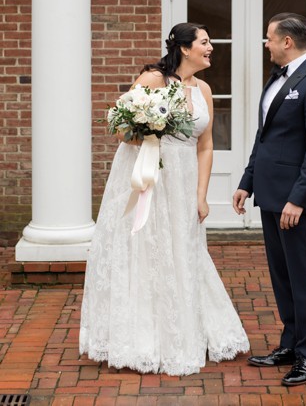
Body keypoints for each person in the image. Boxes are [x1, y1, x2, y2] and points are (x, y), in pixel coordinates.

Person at [79, 23, 250, 375]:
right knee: (146, 252)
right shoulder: (153, 79)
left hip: (183, 182)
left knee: (183, 252)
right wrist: (146, 130)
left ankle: (185, 330)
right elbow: (122, 130)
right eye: (205, 42)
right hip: (148, 177)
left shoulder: (204, 89)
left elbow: (205, 146)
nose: (210, 48)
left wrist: (201, 196)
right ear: (185, 48)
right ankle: (144, 339)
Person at [232, 13, 306, 387]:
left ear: (287, 42)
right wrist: (247, 181)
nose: (266, 44)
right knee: (282, 277)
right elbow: (266, 137)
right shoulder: (276, 79)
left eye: (269, 38)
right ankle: (290, 344)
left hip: (297, 201)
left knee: (302, 277)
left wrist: (298, 198)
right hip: (269, 194)